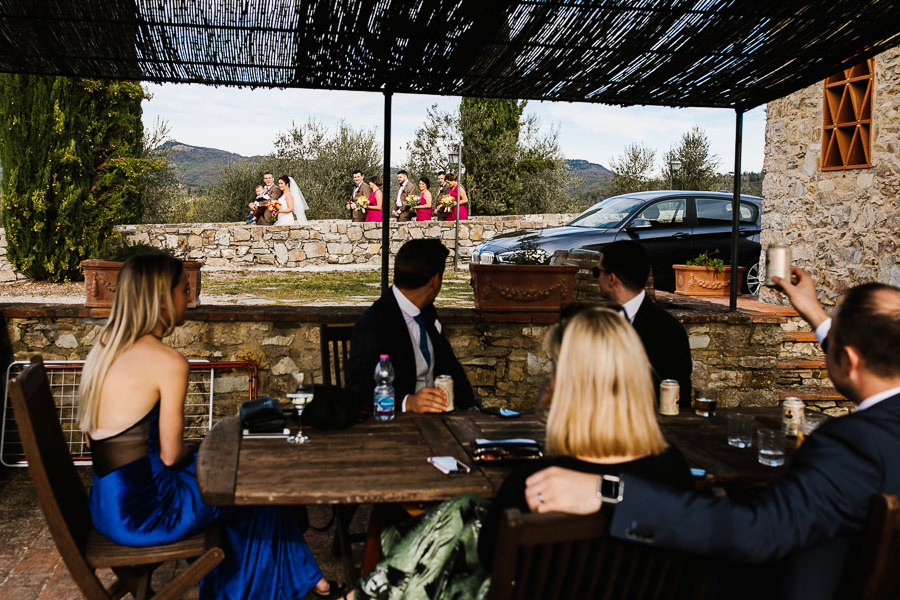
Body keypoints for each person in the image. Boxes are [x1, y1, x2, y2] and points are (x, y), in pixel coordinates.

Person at [524, 269, 900, 600]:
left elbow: (755, 531)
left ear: (849, 359)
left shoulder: (855, 445)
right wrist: (815, 314)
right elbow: (863, 353)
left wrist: (607, 491)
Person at [353, 309, 693, 600]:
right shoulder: (674, 471)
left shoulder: (538, 484)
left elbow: (489, 554)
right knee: (464, 508)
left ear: (566, 386)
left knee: (444, 542)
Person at [78, 253, 343, 599]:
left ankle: (308, 581)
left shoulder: (103, 351)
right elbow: (172, 456)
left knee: (244, 480)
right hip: (151, 515)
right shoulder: (167, 363)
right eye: (183, 289)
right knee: (255, 485)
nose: (189, 298)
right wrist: (210, 450)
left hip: (106, 508)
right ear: (161, 299)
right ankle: (285, 585)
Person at [347, 239, 476, 415]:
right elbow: (358, 390)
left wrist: (472, 409)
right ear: (435, 280)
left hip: (439, 422)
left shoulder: (427, 311)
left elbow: (450, 366)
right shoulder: (373, 323)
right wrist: (407, 402)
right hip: (395, 426)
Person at [592, 240, 692, 404]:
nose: (597, 278)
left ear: (612, 279)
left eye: (597, 272)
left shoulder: (668, 331)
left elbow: (679, 399)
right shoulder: (601, 321)